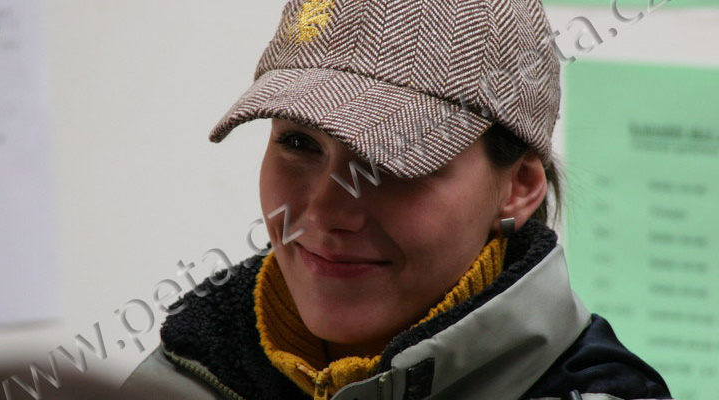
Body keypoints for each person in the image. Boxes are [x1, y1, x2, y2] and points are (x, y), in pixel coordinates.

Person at [122, 0, 673, 399]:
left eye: (392, 161)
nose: (324, 213)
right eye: (298, 143)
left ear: (519, 187)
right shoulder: (181, 374)